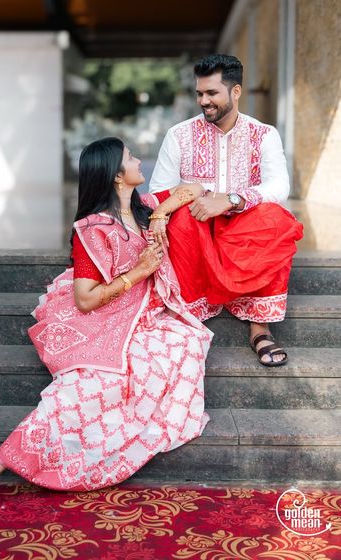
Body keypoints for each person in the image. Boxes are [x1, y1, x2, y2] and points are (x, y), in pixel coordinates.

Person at [0, 137, 213, 527]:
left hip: (144, 314)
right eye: (131, 158)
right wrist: (140, 272)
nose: (139, 160)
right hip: (102, 315)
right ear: (116, 176)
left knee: (184, 342)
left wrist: (161, 213)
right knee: (87, 386)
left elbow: (195, 188)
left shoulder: (143, 208)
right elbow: (86, 300)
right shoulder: (93, 230)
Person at [149, 54, 303, 367]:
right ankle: (191, 315)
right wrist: (195, 197)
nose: (203, 101)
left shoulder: (264, 135)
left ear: (235, 92)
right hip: (197, 232)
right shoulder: (179, 135)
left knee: (276, 219)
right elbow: (158, 192)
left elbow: (279, 187)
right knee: (177, 218)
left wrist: (231, 199)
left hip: (242, 232)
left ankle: (259, 325)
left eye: (211, 93)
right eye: (199, 93)